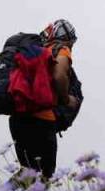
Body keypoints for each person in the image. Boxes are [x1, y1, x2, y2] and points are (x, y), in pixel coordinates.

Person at [9, 19, 79, 180]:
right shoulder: (60, 49)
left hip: (18, 118)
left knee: (29, 171)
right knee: (45, 174)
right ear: (68, 39)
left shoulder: (34, 51)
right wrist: (66, 100)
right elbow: (59, 76)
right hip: (42, 120)